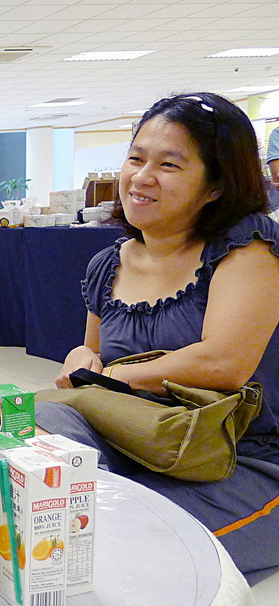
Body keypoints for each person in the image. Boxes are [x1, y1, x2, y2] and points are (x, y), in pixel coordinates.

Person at [41, 92, 279, 581]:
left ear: (215, 185)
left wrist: (111, 376)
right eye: (136, 158)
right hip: (140, 444)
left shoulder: (248, 247)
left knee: (135, 553)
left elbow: (222, 364)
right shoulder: (109, 262)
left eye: (169, 165)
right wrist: (81, 359)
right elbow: (95, 351)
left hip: (241, 464)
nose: (141, 177)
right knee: (41, 430)